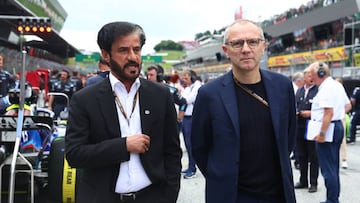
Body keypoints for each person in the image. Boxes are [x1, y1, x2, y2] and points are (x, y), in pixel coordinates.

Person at [65, 21, 182, 203]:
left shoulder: (160, 95)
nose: (133, 57)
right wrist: (123, 146)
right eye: (123, 50)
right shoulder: (84, 99)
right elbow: (75, 155)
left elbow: (173, 152)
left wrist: (169, 195)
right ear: (106, 55)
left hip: (152, 197)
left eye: (137, 49)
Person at [191, 19, 296, 203]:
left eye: (253, 42)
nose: (246, 49)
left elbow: (288, 137)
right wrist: (222, 176)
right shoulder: (209, 94)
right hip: (231, 196)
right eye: (237, 43)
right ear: (226, 50)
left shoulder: (282, 86)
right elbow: (200, 148)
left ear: (263, 46)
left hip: (277, 194)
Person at [309, 62, 350, 203]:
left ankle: (332, 200)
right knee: (333, 167)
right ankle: (333, 198)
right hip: (336, 125)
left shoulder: (326, 88)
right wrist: (338, 115)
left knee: (328, 169)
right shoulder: (336, 85)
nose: (310, 76)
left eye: (311, 73)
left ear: (320, 73)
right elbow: (348, 105)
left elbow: (328, 112)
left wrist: (321, 133)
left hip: (328, 128)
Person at [294, 67, 319, 193]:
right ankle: (303, 180)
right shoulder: (299, 91)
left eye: (312, 76)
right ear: (304, 78)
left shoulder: (318, 90)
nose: (311, 78)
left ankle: (313, 182)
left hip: (312, 125)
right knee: (301, 155)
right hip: (300, 126)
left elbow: (322, 110)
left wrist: (311, 113)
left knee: (313, 156)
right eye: (309, 76)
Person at [181, 69, 201, 179]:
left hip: (192, 118)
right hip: (185, 117)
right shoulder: (188, 88)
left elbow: (187, 100)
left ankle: (192, 169)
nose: (184, 80)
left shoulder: (197, 86)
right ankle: (190, 166)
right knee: (187, 145)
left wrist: (180, 98)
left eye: (186, 78)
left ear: (192, 77)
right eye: (183, 78)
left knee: (190, 144)